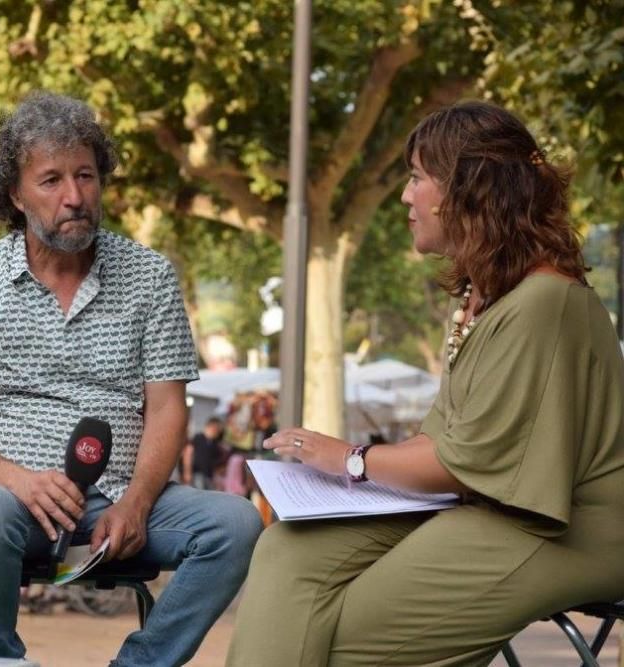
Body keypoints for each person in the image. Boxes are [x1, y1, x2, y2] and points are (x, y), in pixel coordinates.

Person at [226, 100, 624, 666]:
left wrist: (351, 460)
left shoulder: (544, 302)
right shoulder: (483, 296)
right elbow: (440, 444)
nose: (407, 196)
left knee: (340, 643)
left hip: (566, 527)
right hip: (486, 504)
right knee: (289, 548)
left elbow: (464, 463)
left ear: (470, 189)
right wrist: (332, 474)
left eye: (417, 177)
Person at [0, 91, 263, 665]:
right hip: (8, 499)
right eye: (51, 180)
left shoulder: (149, 276)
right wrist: (19, 480)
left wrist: (136, 501)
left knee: (237, 523)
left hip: (124, 499)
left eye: (85, 175)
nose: (74, 196)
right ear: (15, 194)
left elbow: (168, 409)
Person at [182, 417, 224, 490]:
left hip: (208, 476)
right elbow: (188, 453)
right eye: (217, 430)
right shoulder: (198, 438)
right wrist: (187, 472)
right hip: (197, 473)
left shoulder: (214, 444)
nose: (218, 433)